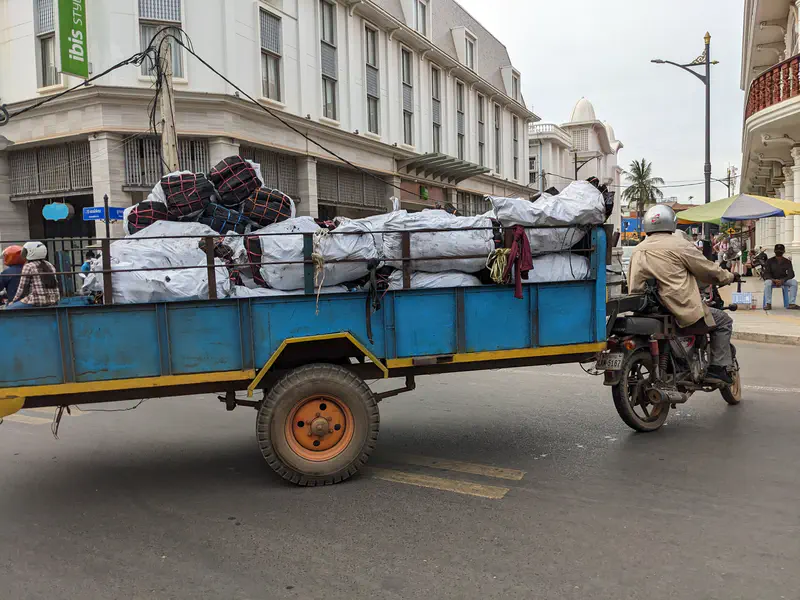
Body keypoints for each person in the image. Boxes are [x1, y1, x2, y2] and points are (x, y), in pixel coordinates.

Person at [629, 205, 736, 384]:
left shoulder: (638, 249)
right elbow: (708, 270)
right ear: (672, 223)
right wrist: (729, 276)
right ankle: (717, 368)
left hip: (646, 309)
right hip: (678, 308)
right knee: (723, 321)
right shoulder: (680, 245)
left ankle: (679, 363)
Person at [5, 241, 60, 310]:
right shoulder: (49, 265)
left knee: (8, 309)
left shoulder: (28, 266)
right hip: (54, 300)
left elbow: (22, 289)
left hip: (36, 301)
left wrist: (13, 301)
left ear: (31, 252)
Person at [762, 243, 799, 310]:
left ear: (783, 252)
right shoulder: (769, 261)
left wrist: (783, 280)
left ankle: (792, 303)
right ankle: (768, 304)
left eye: (780, 251)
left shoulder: (787, 261)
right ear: (774, 251)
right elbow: (766, 274)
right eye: (777, 251)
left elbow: (791, 274)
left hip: (784, 280)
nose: (779, 252)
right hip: (772, 280)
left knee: (794, 282)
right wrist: (773, 280)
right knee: (767, 283)